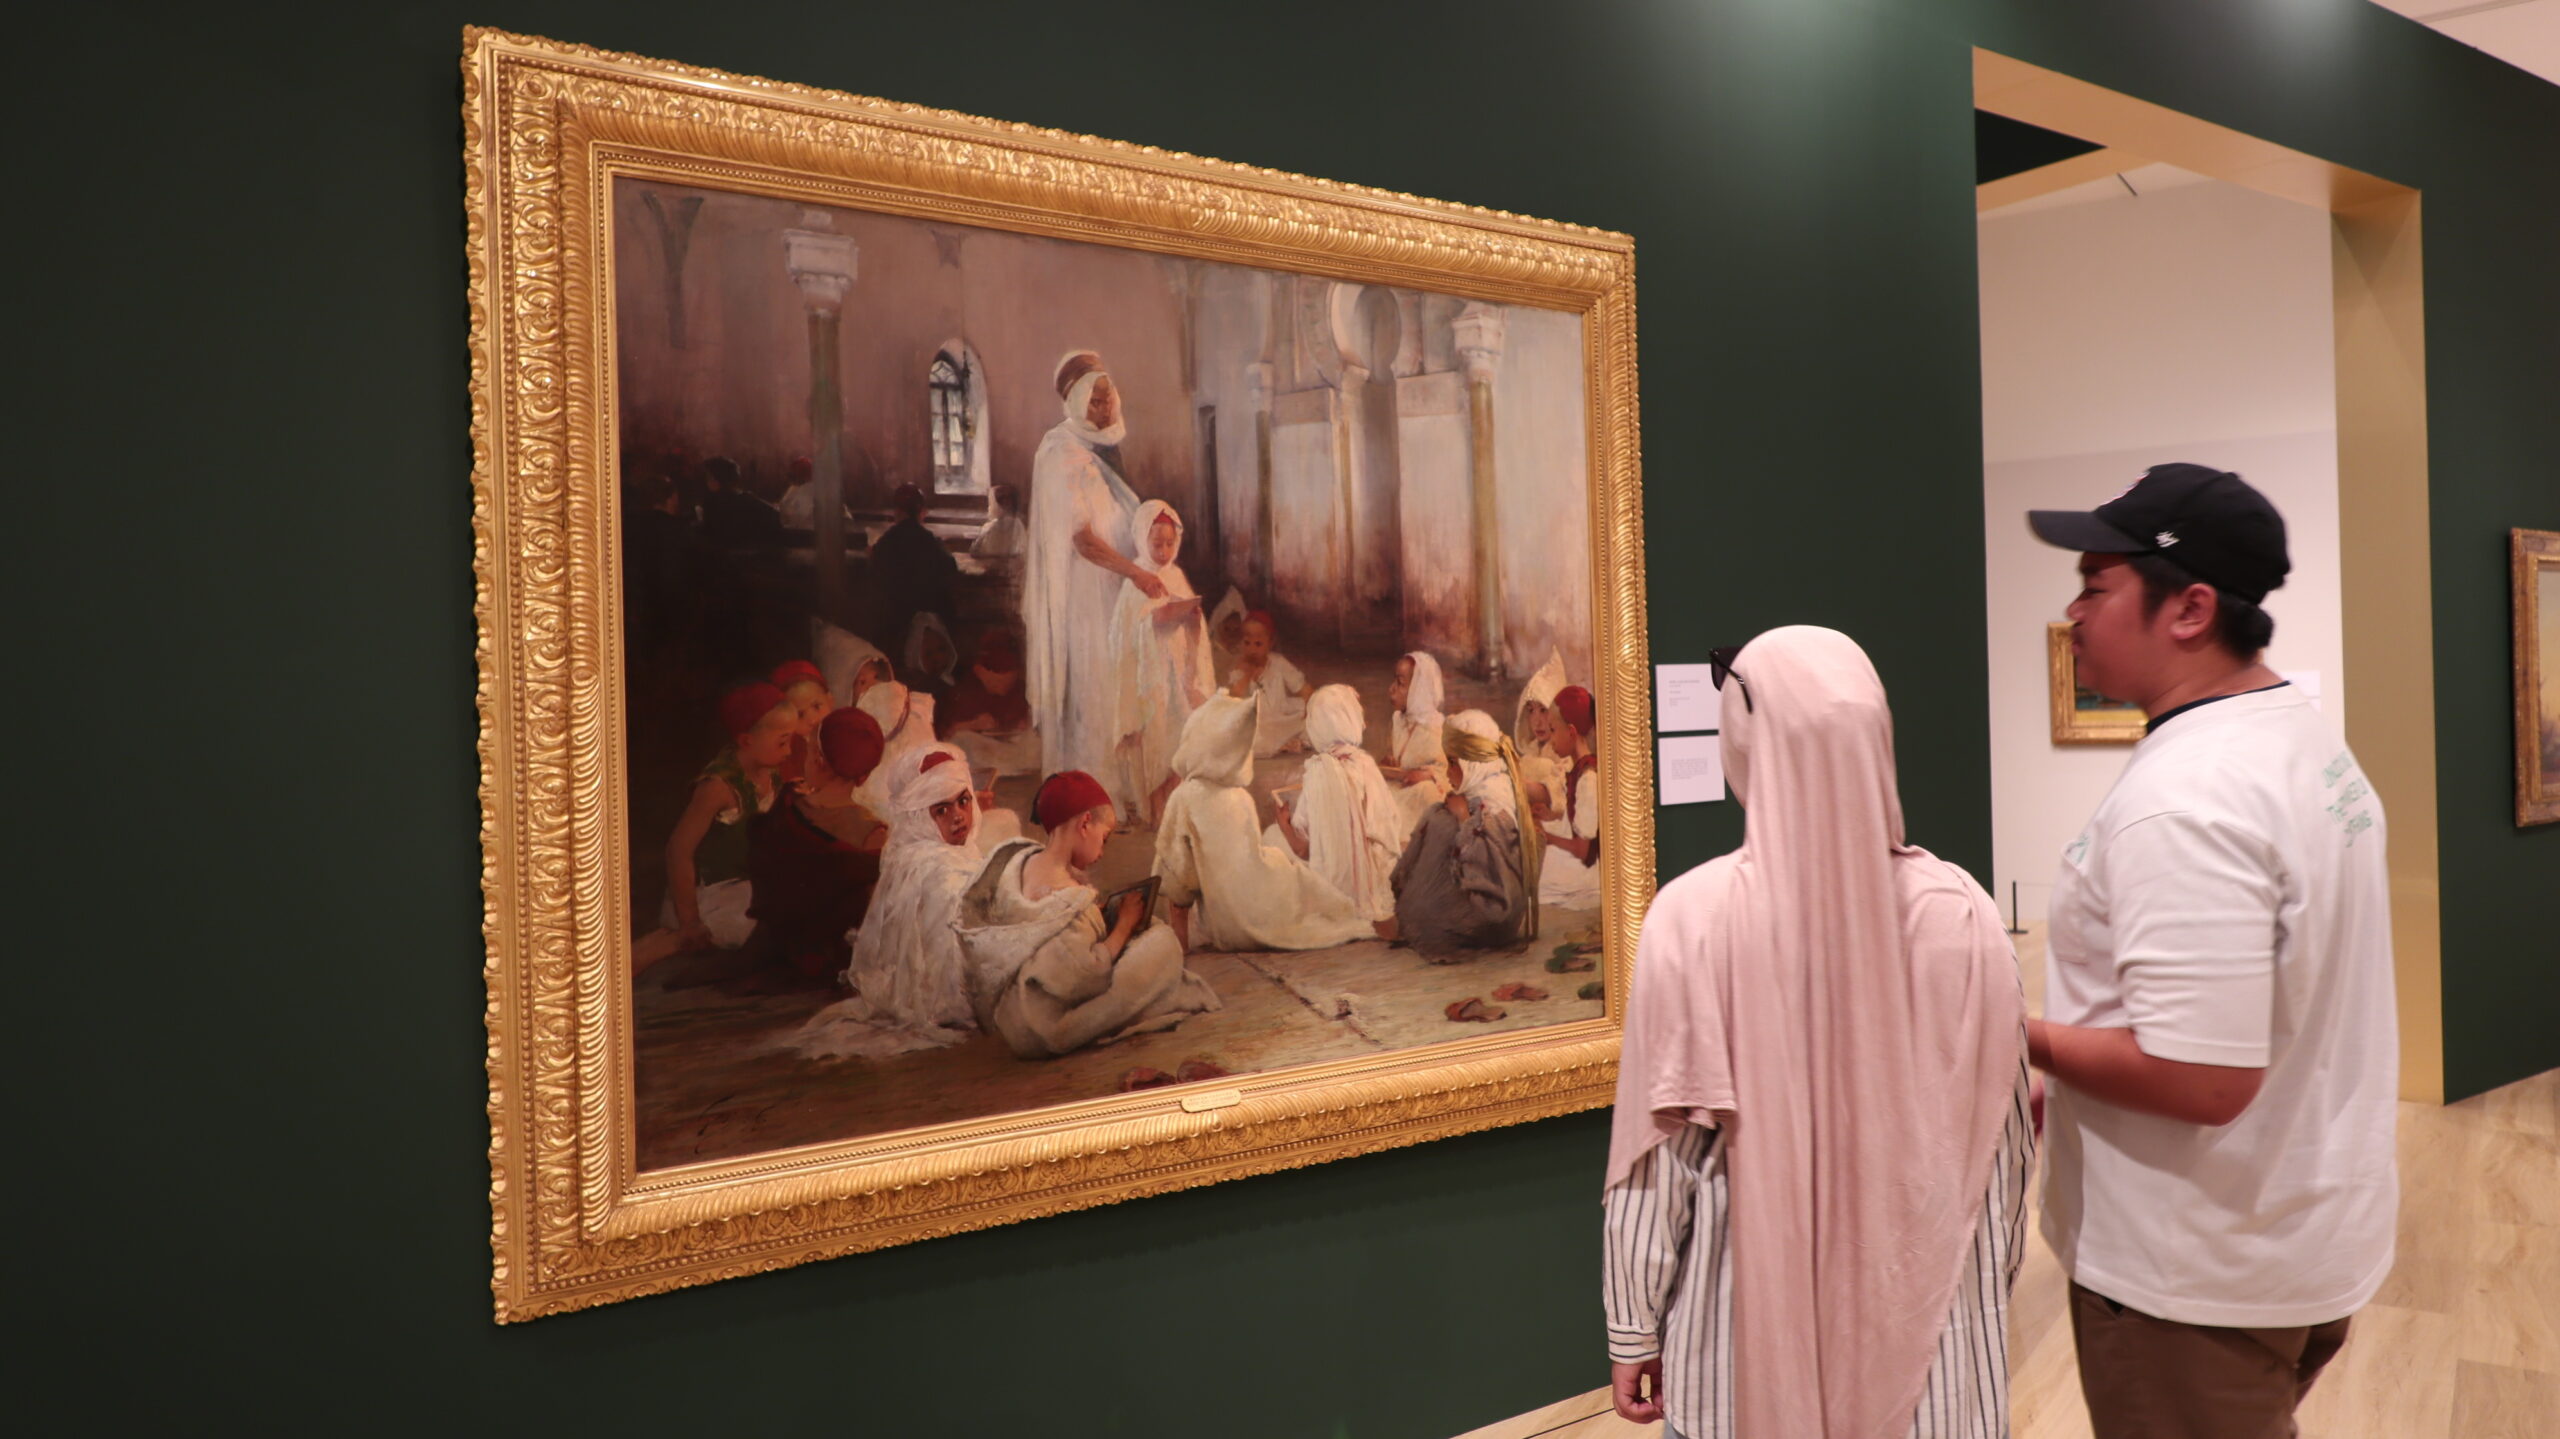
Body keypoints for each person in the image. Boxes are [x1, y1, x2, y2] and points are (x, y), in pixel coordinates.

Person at [2024, 463, 2395, 1439]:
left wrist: (2020, 1034)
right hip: (2292, 1230)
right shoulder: (2299, 741)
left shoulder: (2186, 798)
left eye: (2095, 585)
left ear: (2189, 608)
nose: (2072, 612)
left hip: (2191, 1275)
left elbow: (2201, 1077)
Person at [1603, 626, 2032, 1439]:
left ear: (1745, 737)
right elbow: (2002, 1150)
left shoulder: (1694, 919)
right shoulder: (1967, 915)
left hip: (1744, 1369)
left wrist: (1634, 1324)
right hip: (1937, 1369)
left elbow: (1661, 1161)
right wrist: (1983, 1293)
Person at [952, 770, 1222, 1059]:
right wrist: (1123, 926)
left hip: (1013, 1018)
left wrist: (1095, 918)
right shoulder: (1071, 899)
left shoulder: (1018, 864)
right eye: (1104, 838)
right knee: (1162, 940)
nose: (1102, 851)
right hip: (1046, 1028)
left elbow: (1045, 933)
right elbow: (1087, 977)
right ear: (1084, 824)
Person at [792, 746, 988, 1061]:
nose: (958, 816)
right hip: (950, 994)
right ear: (917, 816)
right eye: (941, 810)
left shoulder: (925, 852)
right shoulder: (936, 868)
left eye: (963, 801)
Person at [1024, 350, 1158, 786]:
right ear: (1075, 404)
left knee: (1122, 684)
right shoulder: (1060, 451)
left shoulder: (1105, 449)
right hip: (1086, 595)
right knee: (1095, 685)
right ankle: (1093, 787)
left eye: (1107, 399)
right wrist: (1135, 572)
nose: (1103, 410)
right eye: (1093, 402)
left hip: (1118, 587)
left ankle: (1125, 788)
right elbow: (1081, 539)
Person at [1153, 694, 1377, 953]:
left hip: (1226, 928)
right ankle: (1356, 916)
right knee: (1299, 880)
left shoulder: (1185, 797)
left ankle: (1348, 913)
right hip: (1259, 908)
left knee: (1289, 867)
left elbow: (1178, 883)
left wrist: (1181, 945)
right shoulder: (1239, 797)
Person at [740, 706, 884, 982]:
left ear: (818, 761)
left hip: (773, 945)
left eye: (807, 752)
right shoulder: (872, 831)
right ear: (864, 774)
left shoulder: (786, 808)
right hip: (828, 954)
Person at [1387, 709, 1536, 958]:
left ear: (1472, 762)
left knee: (1442, 822)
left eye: (1453, 763)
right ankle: (1409, 909)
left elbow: (1493, 881)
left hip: (1488, 918)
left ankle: (1417, 917)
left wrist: (1464, 819)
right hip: (1476, 908)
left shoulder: (1494, 805)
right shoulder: (1482, 790)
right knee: (1437, 815)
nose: (1447, 772)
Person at [657, 682, 794, 952]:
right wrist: (689, 921)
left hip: (747, 886)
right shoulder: (718, 786)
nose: (789, 751)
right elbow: (678, 850)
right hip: (708, 897)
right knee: (774, 927)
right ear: (747, 741)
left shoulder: (770, 774)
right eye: (783, 742)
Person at [1109, 499, 1215, 824]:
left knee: (1182, 736)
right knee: (1155, 737)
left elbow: (1195, 625)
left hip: (1178, 673)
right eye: (1157, 544)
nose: (1164, 551)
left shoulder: (1176, 575)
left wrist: (1189, 615)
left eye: (1170, 543)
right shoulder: (1136, 580)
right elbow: (1127, 633)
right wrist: (1158, 617)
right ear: (1142, 538)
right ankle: (1155, 808)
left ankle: (1176, 802)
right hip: (1151, 679)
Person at [1268, 685, 1403, 923]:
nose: (1364, 724)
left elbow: (1303, 848)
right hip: (1372, 886)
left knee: (1271, 840)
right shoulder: (1365, 764)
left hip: (1331, 892)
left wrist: (1284, 824)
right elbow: (1387, 829)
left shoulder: (1318, 771)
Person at [867, 483, 958, 661]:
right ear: (921, 512)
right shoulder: (928, 539)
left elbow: (877, 568)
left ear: (897, 512)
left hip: (896, 620)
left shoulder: (888, 540)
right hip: (929, 621)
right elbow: (950, 567)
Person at [1534, 684, 1603, 910]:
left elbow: (1583, 850)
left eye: (1553, 730)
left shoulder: (1588, 779)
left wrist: (1547, 836)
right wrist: (1551, 816)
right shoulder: (1578, 770)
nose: (1551, 739)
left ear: (1571, 732)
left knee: (1540, 886)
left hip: (1586, 873)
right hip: (1579, 863)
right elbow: (1575, 820)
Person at [939, 627, 1041, 778]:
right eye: (997, 672)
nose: (1003, 680)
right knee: (963, 741)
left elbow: (1028, 721)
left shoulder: (1021, 690)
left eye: (1009, 672)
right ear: (980, 670)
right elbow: (946, 734)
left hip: (1011, 750)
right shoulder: (966, 691)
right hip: (983, 752)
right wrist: (973, 724)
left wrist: (1025, 723)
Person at [1224, 611, 1309, 757]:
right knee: (1241, 738)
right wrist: (1246, 676)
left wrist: (1310, 708)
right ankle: (1283, 745)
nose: (1252, 649)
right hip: (1258, 723)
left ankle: (1289, 741)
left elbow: (1303, 689)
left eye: (1258, 644)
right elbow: (1234, 699)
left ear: (1270, 643)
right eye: (1247, 643)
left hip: (1280, 715)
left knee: (1309, 714)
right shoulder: (1240, 669)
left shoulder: (1278, 662)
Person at [1384, 650, 1450, 834]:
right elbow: (1395, 761)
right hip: (1399, 788)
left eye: (1400, 683)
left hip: (1420, 793)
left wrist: (1429, 775)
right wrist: (1389, 762)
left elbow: (1450, 772)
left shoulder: (1438, 728)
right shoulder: (1398, 720)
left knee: (1428, 794)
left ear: (1419, 690)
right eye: (1395, 681)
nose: (1392, 689)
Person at [1513, 648, 1568, 811]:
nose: (1537, 721)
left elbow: (1561, 792)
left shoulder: (1565, 754)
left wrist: (1516, 785)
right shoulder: (1530, 752)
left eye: (1543, 710)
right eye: (1531, 711)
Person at [971, 482, 1027, 559]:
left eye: (990, 504)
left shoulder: (992, 528)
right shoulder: (1019, 524)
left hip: (993, 564)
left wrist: (981, 537)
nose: (988, 508)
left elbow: (976, 552)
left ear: (1001, 506)